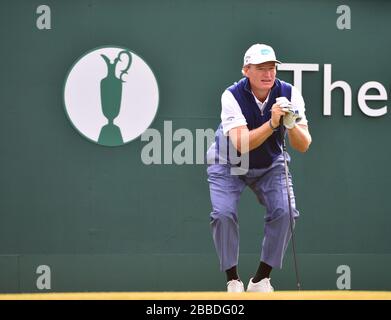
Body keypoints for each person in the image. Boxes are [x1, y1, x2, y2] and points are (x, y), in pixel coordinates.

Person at [206, 43, 312, 292]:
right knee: (223, 214)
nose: (268, 73)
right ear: (246, 70)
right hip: (228, 162)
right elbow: (242, 144)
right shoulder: (231, 95)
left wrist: (290, 123)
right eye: (261, 68)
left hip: (270, 162)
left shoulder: (289, 93)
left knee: (286, 211)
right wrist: (273, 123)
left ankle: (261, 279)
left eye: (272, 67)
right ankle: (233, 280)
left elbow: (303, 144)